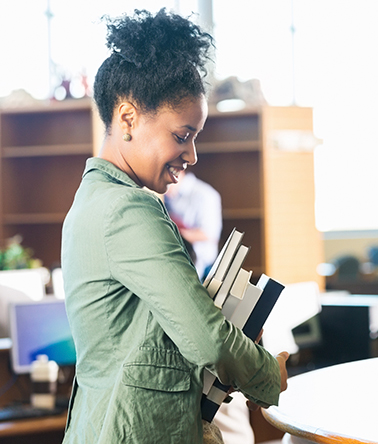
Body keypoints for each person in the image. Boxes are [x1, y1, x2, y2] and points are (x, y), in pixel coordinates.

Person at [61, 9, 288, 443]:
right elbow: (209, 342)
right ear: (127, 118)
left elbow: (146, 334)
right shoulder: (128, 211)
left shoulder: (95, 200)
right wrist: (267, 373)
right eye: (182, 136)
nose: (193, 155)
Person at [165, 171, 223, 281]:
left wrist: (171, 233)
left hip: (201, 267)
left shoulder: (205, 195)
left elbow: (209, 233)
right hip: (177, 264)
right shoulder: (168, 196)